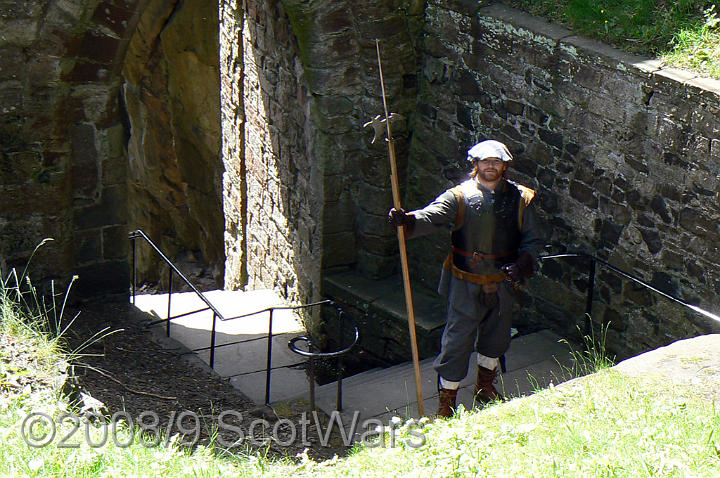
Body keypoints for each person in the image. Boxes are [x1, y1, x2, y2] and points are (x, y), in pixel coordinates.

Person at [388, 139, 544, 418]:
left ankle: (485, 388)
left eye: (496, 162)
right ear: (476, 164)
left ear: (504, 166)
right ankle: (446, 403)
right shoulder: (458, 196)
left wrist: (523, 263)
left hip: (503, 283)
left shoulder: (521, 199)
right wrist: (408, 220)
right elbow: (432, 215)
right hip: (464, 282)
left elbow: (533, 240)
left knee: (496, 339)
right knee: (457, 342)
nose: (491, 166)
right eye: (486, 162)